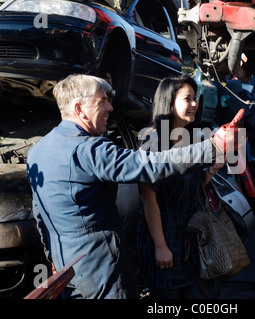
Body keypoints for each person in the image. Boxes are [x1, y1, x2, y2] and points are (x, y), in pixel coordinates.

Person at [26, 74, 243, 299]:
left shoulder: (38, 151)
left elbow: (40, 213)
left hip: (67, 268)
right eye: (103, 101)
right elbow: (149, 165)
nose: (111, 107)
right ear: (80, 109)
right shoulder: (89, 150)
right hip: (101, 271)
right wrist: (214, 146)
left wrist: (53, 257)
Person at [136, 75, 224, 299]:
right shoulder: (151, 141)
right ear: (169, 102)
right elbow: (148, 198)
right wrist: (160, 246)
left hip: (191, 236)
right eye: (188, 98)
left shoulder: (191, 139)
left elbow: (195, 185)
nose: (194, 104)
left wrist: (212, 170)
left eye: (195, 98)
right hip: (163, 234)